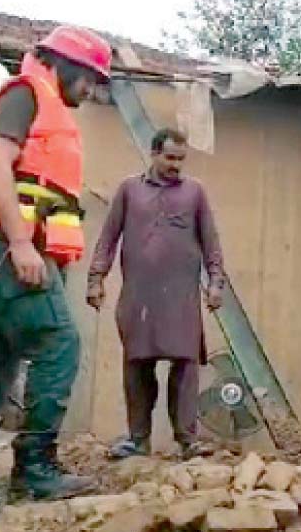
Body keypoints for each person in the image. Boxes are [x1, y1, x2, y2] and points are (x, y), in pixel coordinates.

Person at [0, 25, 112, 521]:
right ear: (67, 67)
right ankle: (35, 469)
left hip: (0, 244)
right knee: (59, 342)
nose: (92, 91)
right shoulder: (25, 94)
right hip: (4, 243)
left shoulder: (36, 100)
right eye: (91, 80)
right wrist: (18, 242)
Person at [86, 128, 225, 459]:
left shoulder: (195, 193)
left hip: (181, 297)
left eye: (181, 159)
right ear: (153, 154)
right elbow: (107, 238)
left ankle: (188, 439)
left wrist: (216, 283)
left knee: (186, 364)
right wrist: (96, 279)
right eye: (170, 158)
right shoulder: (129, 190)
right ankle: (137, 438)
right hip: (140, 296)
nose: (176, 165)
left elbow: (211, 242)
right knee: (137, 364)